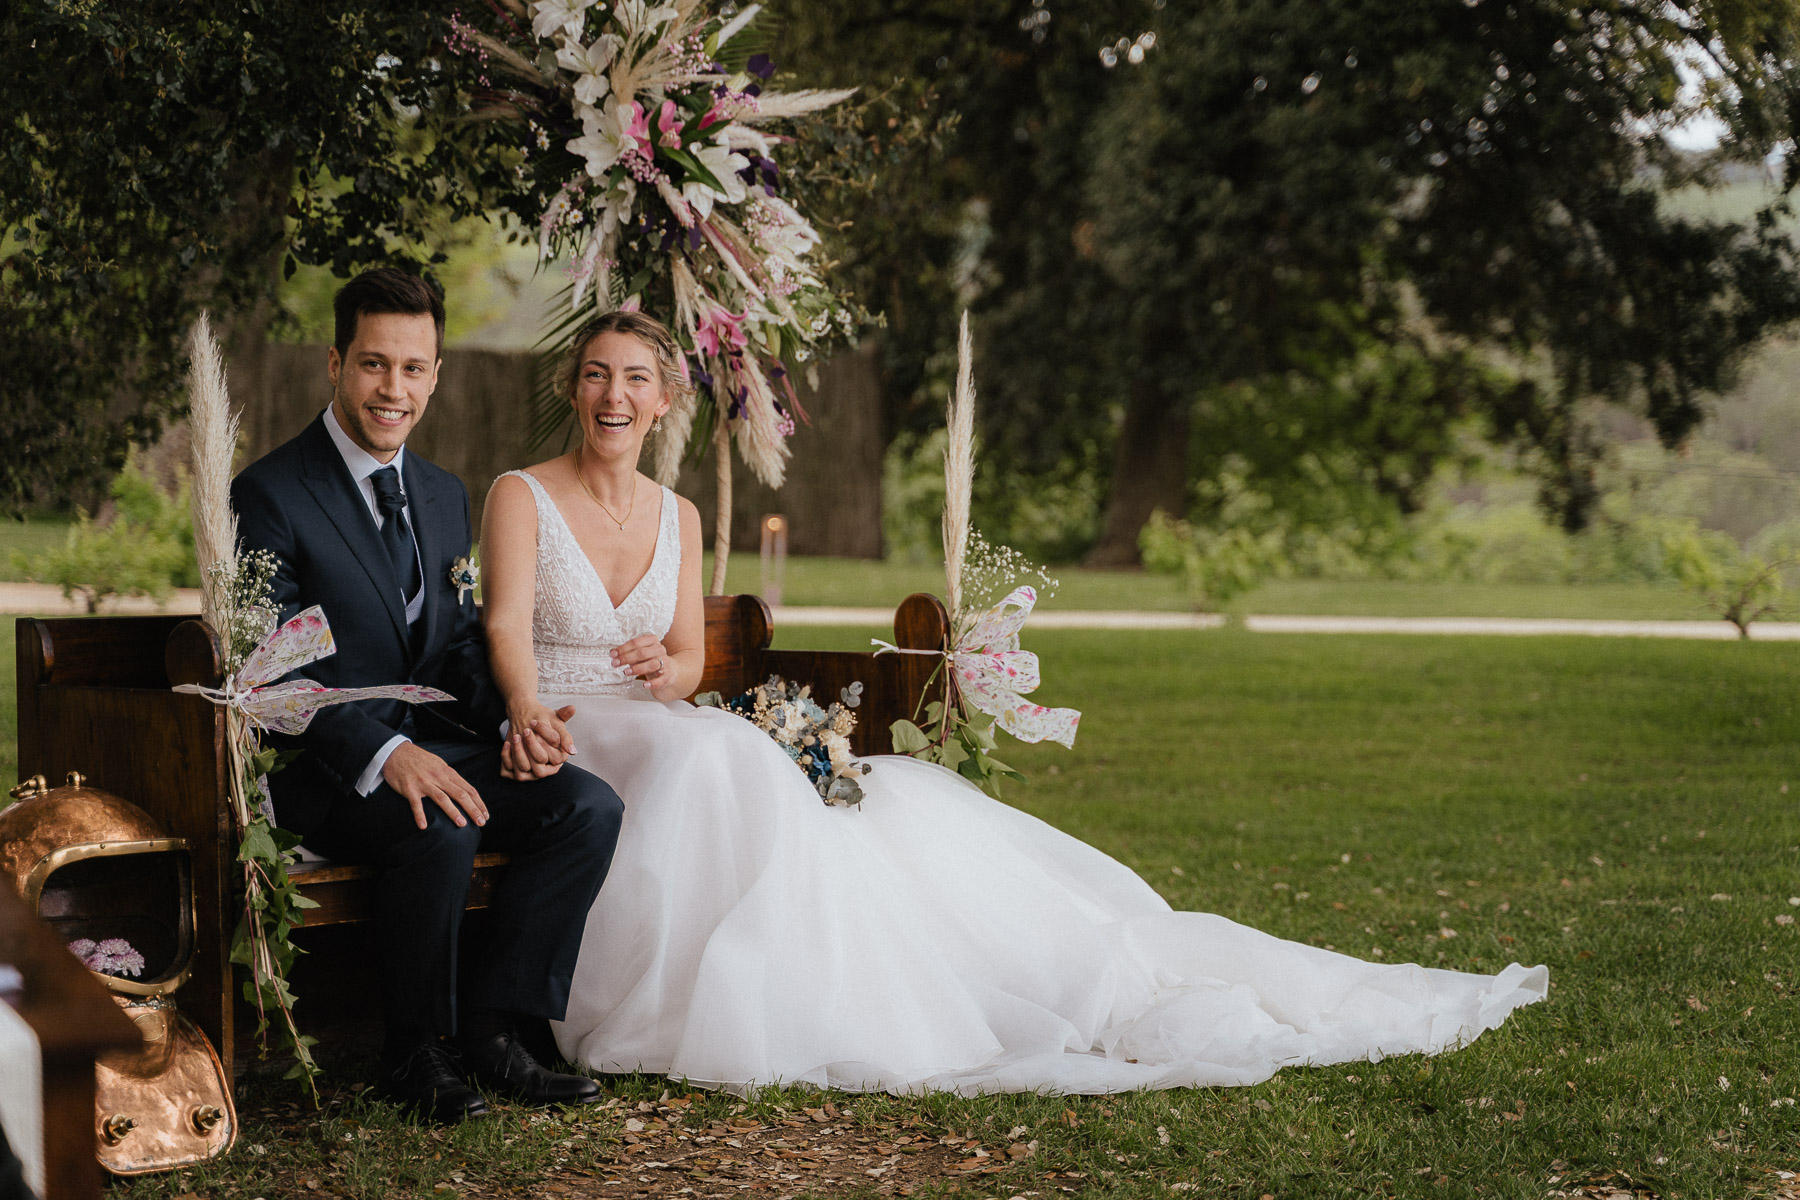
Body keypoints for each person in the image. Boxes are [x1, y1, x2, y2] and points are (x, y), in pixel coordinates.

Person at [480, 310, 1549, 1095]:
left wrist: (668, 676)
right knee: (719, 761)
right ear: (573, 390)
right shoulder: (522, 495)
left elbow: (680, 658)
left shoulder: (675, 512)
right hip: (563, 721)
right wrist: (531, 710)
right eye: (595, 377)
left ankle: (810, 986)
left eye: (635, 380)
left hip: (653, 715)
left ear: (664, 400)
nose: (614, 396)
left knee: (762, 766)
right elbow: (503, 627)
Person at [232, 268, 626, 1123]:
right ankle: (413, 1053)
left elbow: (451, 646)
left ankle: (495, 1034)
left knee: (585, 807)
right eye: (375, 365)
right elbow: (276, 672)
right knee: (440, 820)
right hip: (323, 770)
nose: (393, 389)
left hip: (435, 746)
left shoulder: (444, 494)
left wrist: (510, 719)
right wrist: (384, 752)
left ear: (437, 374)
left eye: (414, 369)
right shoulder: (268, 494)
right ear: (336, 362)